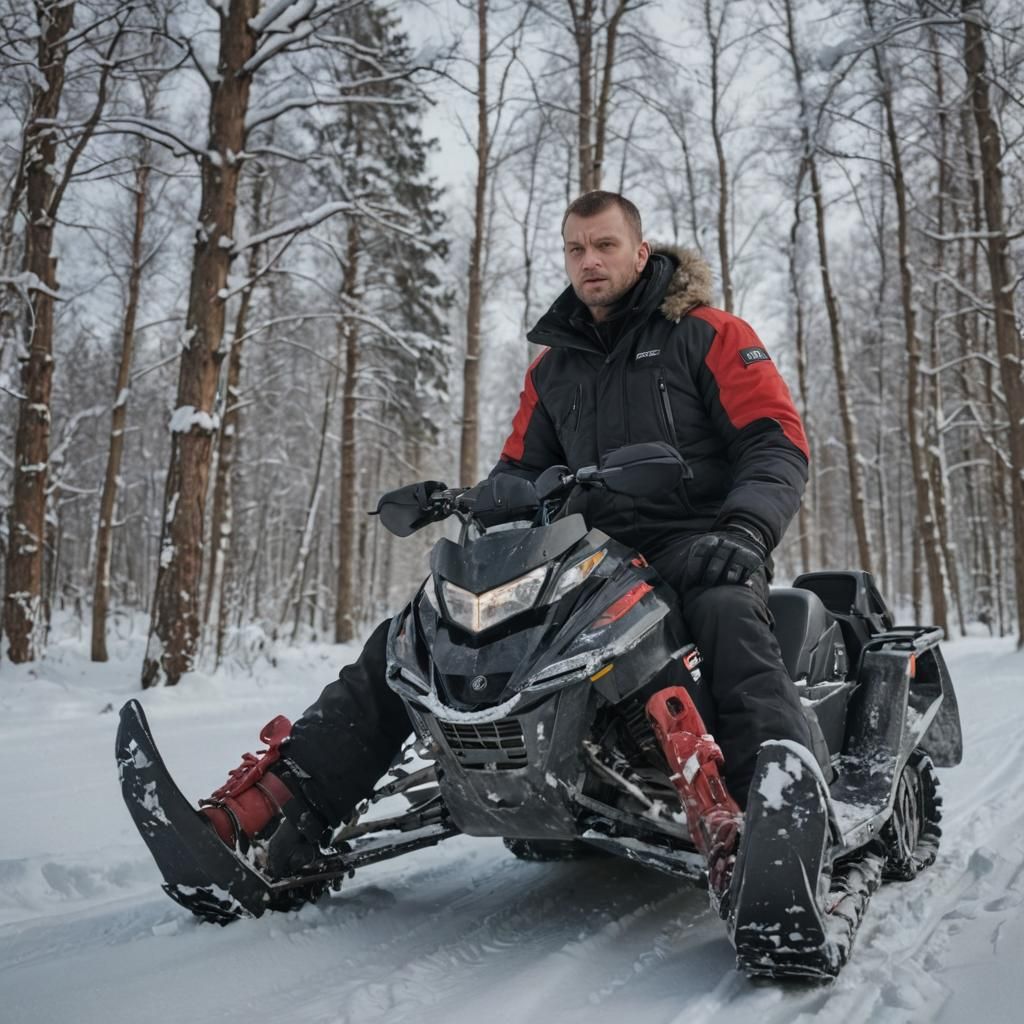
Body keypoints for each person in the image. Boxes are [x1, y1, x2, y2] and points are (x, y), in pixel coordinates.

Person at [200, 191, 814, 904]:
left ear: (641, 251)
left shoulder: (707, 333)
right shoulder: (554, 368)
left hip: (697, 543)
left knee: (729, 615)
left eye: (605, 245)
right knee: (418, 635)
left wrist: (743, 529)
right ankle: (275, 811)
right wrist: (485, 500)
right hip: (589, 557)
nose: (589, 260)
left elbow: (775, 440)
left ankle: (782, 818)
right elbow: (521, 469)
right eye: (576, 248)